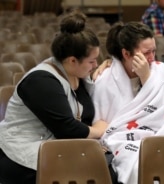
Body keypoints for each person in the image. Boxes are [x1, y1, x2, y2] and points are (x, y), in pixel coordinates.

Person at [0, 11, 110, 184]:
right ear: (72, 60)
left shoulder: (75, 74)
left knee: (110, 167)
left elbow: (84, 116)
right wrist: (98, 131)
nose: (95, 64)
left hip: (57, 149)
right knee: (104, 171)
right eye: (92, 61)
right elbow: (66, 128)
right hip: (21, 159)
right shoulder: (40, 81)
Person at [91, 21, 164, 184]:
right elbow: (102, 125)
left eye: (154, 51)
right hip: (122, 142)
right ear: (126, 54)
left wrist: (147, 79)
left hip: (161, 136)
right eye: (146, 53)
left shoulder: (162, 72)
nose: (152, 58)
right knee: (137, 162)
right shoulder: (105, 80)